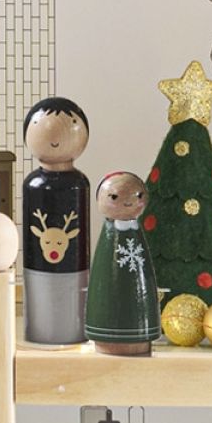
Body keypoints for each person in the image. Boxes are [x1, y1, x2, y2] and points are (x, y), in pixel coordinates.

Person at [22, 97, 90, 344]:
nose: (54, 136)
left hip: (76, 272)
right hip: (36, 273)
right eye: (41, 125)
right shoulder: (34, 185)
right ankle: (40, 335)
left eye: (70, 124)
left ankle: (72, 334)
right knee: (40, 317)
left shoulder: (78, 185)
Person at [85, 172, 161, 356]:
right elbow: (102, 278)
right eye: (114, 197)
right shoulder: (107, 241)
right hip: (104, 338)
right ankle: (106, 333)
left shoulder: (136, 233)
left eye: (138, 196)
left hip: (142, 342)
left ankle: (139, 333)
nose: (128, 202)